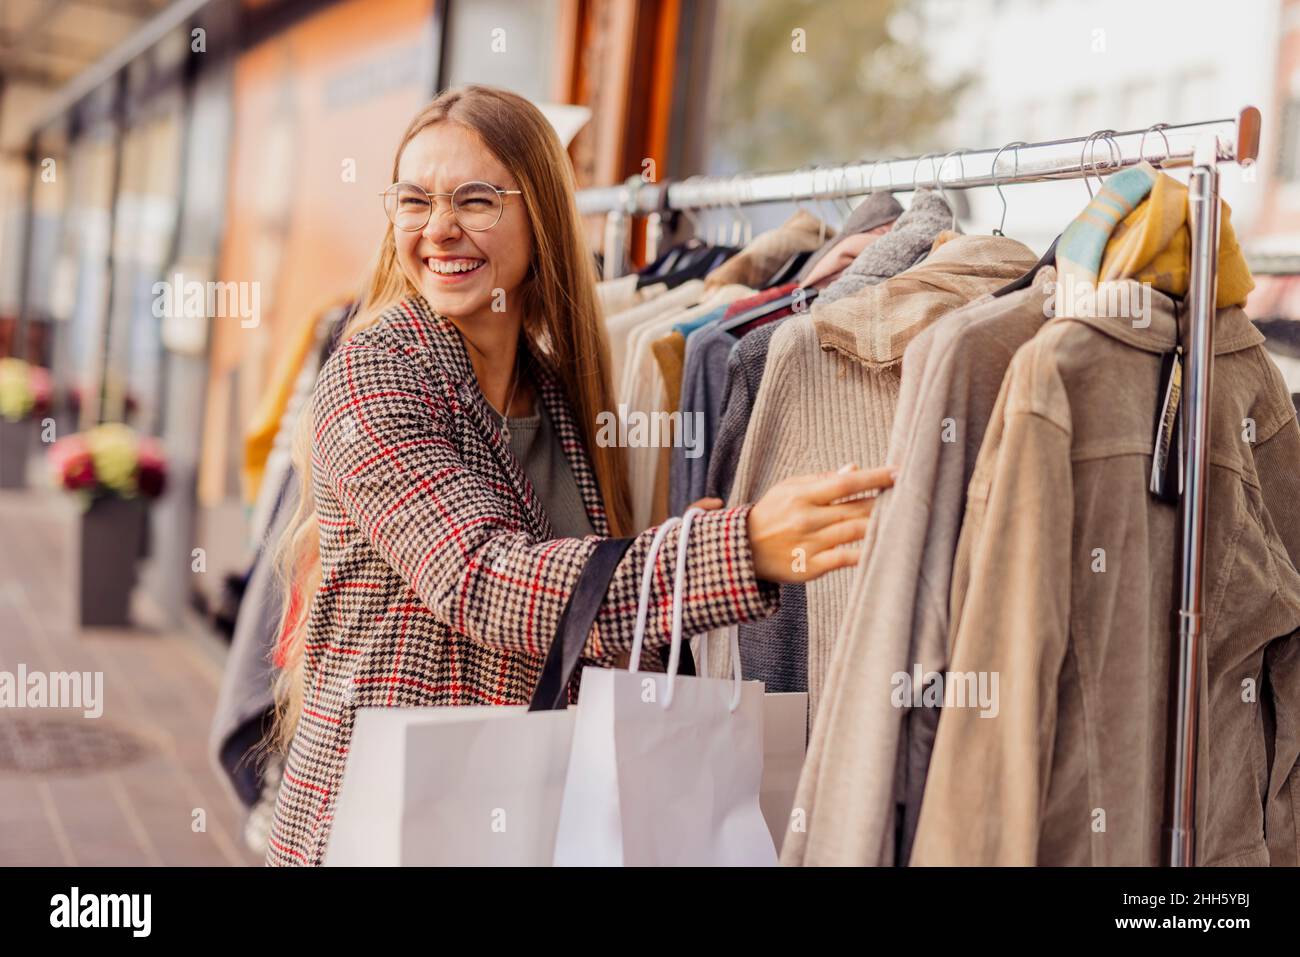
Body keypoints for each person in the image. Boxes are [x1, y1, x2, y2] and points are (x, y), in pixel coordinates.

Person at [265, 84, 892, 866]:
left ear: (541, 216)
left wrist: (675, 544)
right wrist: (735, 549)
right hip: (387, 819)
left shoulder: (558, 392)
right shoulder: (377, 368)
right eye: (415, 200)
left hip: (519, 812)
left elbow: (580, 605)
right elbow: (481, 579)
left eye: (476, 199)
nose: (440, 228)